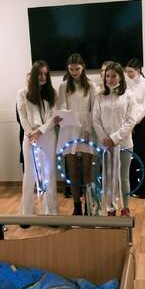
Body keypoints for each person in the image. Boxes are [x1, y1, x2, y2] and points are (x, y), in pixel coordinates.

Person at [17, 60, 60, 219]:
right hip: (30, 138)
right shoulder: (23, 93)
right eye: (40, 74)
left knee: (49, 174)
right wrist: (31, 133)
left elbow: (54, 117)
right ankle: (26, 212)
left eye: (45, 74)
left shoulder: (52, 93)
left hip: (48, 136)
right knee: (29, 174)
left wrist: (40, 132)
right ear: (34, 75)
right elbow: (23, 116)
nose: (42, 77)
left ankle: (52, 212)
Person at [93, 62, 136, 217]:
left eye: (113, 76)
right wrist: (106, 140)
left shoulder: (128, 95)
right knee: (108, 177)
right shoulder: (99, 96)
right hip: (105, 145)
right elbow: (96, 120)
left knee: (123, 177)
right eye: (107, 76)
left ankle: (125, 208)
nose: (110, 79)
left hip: (124, 144)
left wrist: (114, 138)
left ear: (120, 77)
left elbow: (131, 120)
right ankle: (110, 208)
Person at [57, 53, 97, 215]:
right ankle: (77, 206)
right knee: (72, 172)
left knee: (87, 171)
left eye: (77, 69)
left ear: (83, 67)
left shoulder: (91, 85)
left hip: (87, 128)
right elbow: (61, 107)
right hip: (69, 128)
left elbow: (94, 109)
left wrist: (88, 129)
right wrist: (67, 118)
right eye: (71, 69)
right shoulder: (63, 86)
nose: (74, 72)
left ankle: (88, 205)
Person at [125, 58, 145, 199]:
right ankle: (131, 188)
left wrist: (134, 123)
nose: (128, 74)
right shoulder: (126, 84)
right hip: (129, 123)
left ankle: (142, 189)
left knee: (142, 155)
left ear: (138, 70)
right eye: (127, 72)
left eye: (131, 72)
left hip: (142, 123)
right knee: (130, 156)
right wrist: (129, 124)